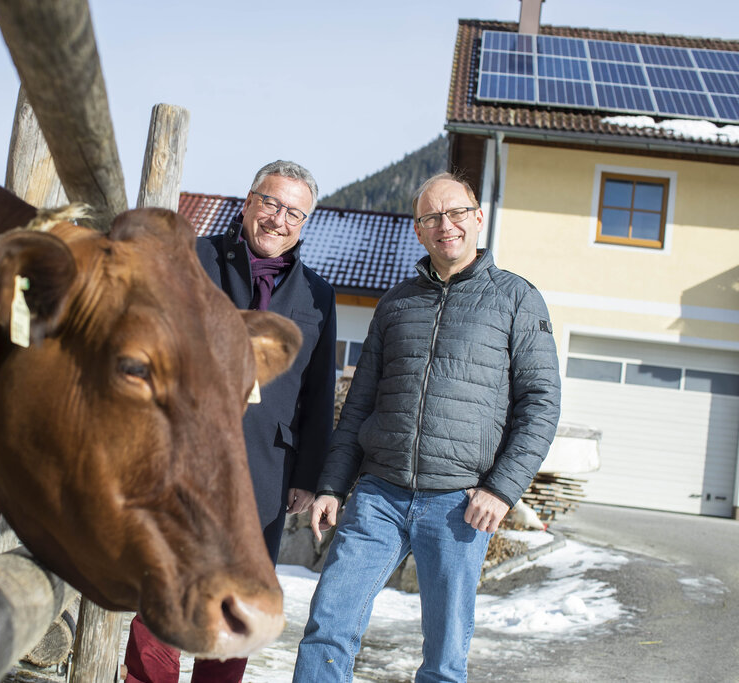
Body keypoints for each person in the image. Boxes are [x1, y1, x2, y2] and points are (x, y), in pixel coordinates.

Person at [292, 172, 561, 683]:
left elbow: (541, 404)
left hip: (460, 502)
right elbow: (360, 404)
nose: (446, 225)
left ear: (478, 218)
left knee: (444, 656)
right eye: (431, 217)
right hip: (377, 495)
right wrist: (331, 484)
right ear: (418, 230)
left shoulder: (517, 300)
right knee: (329, 624)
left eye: (457, 212)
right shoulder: (395, 303)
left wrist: (501, 490)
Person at [123, 160, 338, 683]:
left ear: (304, 223)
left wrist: (308, 476)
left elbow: (318, 390)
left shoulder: (316, 295)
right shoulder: (193, 260)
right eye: (270, 202)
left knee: (236, 601)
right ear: (247, 202)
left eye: (294, 212)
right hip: (181, 454)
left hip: (263, 465)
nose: (278, 219)